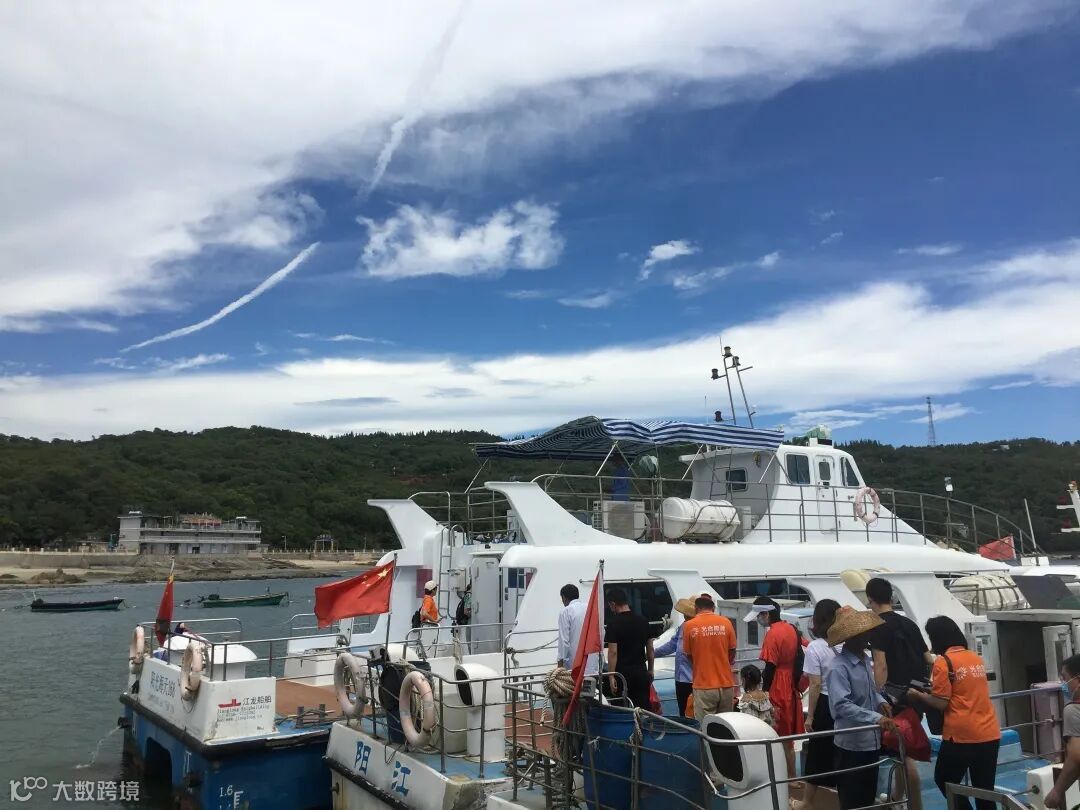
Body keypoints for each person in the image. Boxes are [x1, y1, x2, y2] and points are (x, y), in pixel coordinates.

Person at [907, 616, 1000, 810]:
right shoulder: (975, 658)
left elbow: (940, 703)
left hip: (961, 736)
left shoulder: (943, 662)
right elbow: (963, 690)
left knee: (945, 779)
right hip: (989, 733)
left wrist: (918, 695)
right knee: (985, 791)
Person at [866, 577, 932, 810]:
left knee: (905, 753)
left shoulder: (877, 626)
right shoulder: (909, 624)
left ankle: (916, 805)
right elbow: (928, 659)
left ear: (870, 599)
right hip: (916, 694)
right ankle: (897, 797)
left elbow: (881, 665)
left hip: (894, 698)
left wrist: (878, 696)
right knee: (903, 748)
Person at [826, 607, 895, 810]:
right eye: (863, 633)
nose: (868, 637)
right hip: (851, 744)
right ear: (852, 637)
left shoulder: (865, 660)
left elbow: (871, 690)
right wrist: (876, 718)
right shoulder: (838, 667)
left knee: (868, 795)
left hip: (870, 741)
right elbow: (841, 705)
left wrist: (880, 701)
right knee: (851, 798)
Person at [745, 596, 805, 779]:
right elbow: (800, 656)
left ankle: (783, 778)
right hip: (791, 685)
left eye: (759, 616)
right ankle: (792, 776)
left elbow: (770, 667)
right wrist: (796, 683)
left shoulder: (772, 634)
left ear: (766, 614)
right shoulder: (790, 628)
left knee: (777, 732)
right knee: (788, 738)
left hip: (778, 685)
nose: (758, 620)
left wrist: (764, 691)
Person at [795, 598, 843, 810]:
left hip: (825, 704)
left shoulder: (815, 647)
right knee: (843, 751)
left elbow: (815, 684)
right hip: (845, 701)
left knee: (817, 752)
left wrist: (811, 716)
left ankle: (807, 802)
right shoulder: (846, 644)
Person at [683, 593, 738, 722]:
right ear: (713, 608)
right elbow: (732, 650)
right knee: (725, 725)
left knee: (704, 725)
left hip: (703, 685)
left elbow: (688, 655)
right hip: (726, 684)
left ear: (696, 609)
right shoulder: (726, 622)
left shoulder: (689, 625)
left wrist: (699, 666)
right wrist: (724, 664)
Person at [605, 587, 655, 710]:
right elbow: (650, 649)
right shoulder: (643, 621)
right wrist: (650, 670)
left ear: (613, 604)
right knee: (643, 710)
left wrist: (611, 676)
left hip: (622, 674)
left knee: (623, 709)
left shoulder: (613, 623)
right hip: (641, 671)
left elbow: (613, 652)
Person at [1046, 653, 1080, 809]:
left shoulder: (1073, 710)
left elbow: (1076, 757)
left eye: (1065, 678)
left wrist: (1057, 792)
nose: (1063, 684)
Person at [655, 597, 696, 717]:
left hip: (695, 678)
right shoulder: (683, 626)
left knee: (695, 711)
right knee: (683, 709)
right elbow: (673, 644)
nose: (684, 615)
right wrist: (654, 653)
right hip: (681, 677)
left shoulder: (697, 628)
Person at [558, 584, 599, 675]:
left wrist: (560, 665)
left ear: (564, 597)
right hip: (593, 664)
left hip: (574, 664)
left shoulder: (566, 611)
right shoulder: (590, 608)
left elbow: (564, 641)